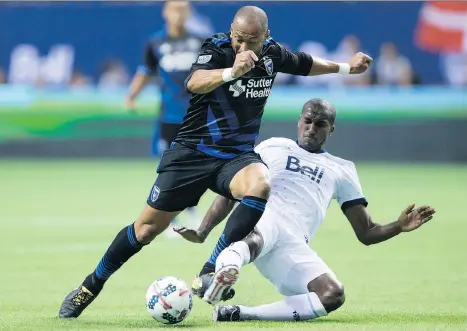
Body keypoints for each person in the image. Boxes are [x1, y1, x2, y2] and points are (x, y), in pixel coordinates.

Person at [58, 5, 372, 318]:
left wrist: (346, 68)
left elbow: (305, 64)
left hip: (235, 157)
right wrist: (232, 72)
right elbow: (194, 82)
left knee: (259, 184)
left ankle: (209, 270)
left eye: (251, 41)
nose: (243, 47)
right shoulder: (217, 48)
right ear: (231, 33)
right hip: (193, 153)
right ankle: (90, 286)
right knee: (144, 231)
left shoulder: (273, 55)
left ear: (267, 36)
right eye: (239, 39)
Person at [176, 98, 436, 319]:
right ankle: (225, 268)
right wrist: (203, 230)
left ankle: (239, 313)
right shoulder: (271, 146)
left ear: (331, 129)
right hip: (264, 220)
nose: (311, 128)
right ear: (299, 121)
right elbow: (231, 194)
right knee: (260, 227)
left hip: (293, 244)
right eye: (308, 121)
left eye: (320, 124)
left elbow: (366, 232)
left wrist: (399, 226)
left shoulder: (343, 169)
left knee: (333, 294)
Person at [125, 0, 205, 235]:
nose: (178, 14)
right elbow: (145, 71)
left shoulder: (200, 43)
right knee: (169, 167)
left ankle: (191, 212)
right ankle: (168, 216)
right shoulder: (155, 42)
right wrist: (132, 95)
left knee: (195, 166)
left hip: (196, 114)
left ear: (189, 12)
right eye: (174, 9)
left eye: (183, 9)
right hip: (169, 115)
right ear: (165, 12)